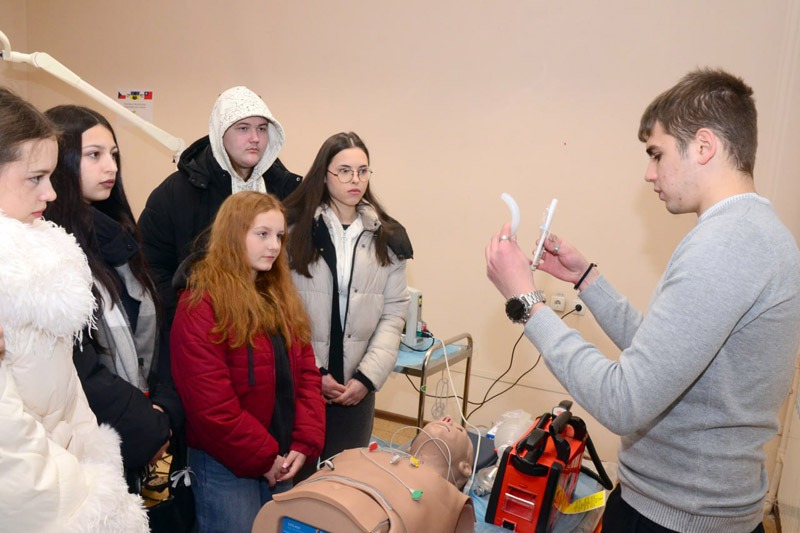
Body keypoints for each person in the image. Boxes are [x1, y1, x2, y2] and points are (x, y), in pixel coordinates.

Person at [485, 68, 800, 533]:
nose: (649, 173)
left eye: (657, 154)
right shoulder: (756, 233)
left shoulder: (725, 245)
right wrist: (587, 279)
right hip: (696, 509)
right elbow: (665, 356)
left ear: (704, 146)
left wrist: (527, 303)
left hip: (675, 519)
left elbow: (624, 400)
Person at [0, 87, 148, 531]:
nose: (49, 193)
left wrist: (99, 466)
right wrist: (87, 495)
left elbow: (68, 396)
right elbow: (11, 445)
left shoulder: (42, 260)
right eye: (35, 177)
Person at [44, 105, 183, 494]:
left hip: (152, 419)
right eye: (94, 155)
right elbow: (80, 366)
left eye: (114, 154)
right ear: (59, 161)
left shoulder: (120, 235)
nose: (111, 167)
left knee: (157, 512)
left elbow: (157, 332)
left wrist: (165, 409)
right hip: (98, 436)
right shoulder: (52, 250)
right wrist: (147, 424)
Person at [170, 191, 325, 532]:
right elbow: (210, 403)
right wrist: (264, 456)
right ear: (233, 234)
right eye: (262, 234)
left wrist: (304, 441)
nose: (274, 246)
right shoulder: (201, 302)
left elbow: (307, 373)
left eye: (279, 236)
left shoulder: (279, 296)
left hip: (282, 456)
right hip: (225, 462)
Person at [139, 86, 302, 381]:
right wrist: (195, 320)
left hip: (266, 344)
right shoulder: (174, 194)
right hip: (201, 342)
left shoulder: (285, 191)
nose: (255, 138)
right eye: (243, 128)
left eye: (262, 128)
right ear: (219, 133)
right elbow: (151, 269)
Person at [284, 131, 412, 467]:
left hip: (356, 388)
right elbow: (282, 309)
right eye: (344, 171)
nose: (355, 179)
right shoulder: (294, 230)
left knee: (346, 478)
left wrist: (367, 378)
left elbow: (394, 313)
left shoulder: (387, 236)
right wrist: (314, 372)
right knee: (299, 480)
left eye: (362, 171)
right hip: (303, 382)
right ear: (324, 175)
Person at [252, 416, 476, 532]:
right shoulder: (366, 453)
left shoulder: (453, 501)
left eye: (458, 429)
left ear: (465, 468)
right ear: (408, 450)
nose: (447, 418)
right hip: (303, 499)